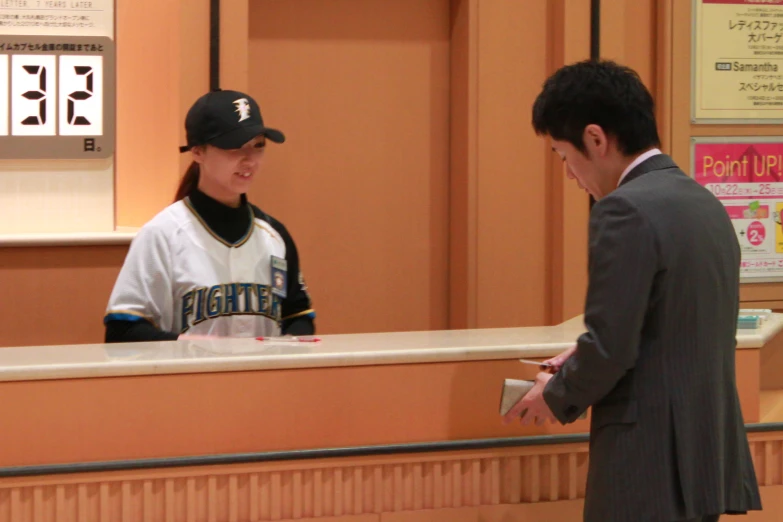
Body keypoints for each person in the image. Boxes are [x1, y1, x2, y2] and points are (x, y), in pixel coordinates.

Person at [502, 60, 761, 522]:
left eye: (564, 156)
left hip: (646, 463)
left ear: (596, 139)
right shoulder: (704, 203)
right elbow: (671, 328)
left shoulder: (624, 210)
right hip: (704, 456)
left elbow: (612, 347)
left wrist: (555, 392)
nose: (568, 174)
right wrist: (579, 355)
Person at [103, 89, 315, 342]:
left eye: (258, 146)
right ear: (197, 152)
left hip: (261, 379)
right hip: (188, 379)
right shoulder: (162, 234)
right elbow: (121, 331)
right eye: (234, 147)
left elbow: (299, 316)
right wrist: (185, 345)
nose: (249, 160)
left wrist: (287, 346)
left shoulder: (274, 235)